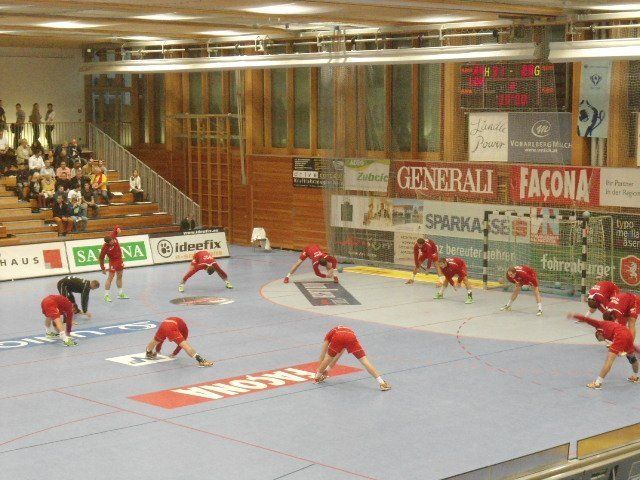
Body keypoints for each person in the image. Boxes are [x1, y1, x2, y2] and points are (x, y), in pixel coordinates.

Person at [568, 313, 639, 389]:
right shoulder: (610, 326)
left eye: (599, 338)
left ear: (599, 333)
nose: (601, 340)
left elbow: (587, 319)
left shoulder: (599, 324)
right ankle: (635, 377)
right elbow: (631, 345)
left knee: (609, 361)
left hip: (619, 335)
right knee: (632, 358)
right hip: (627, 332)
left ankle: (597, 383)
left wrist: (574, 316)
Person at [314, 325, 390, 391]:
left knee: (328, 358)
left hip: (339, 336)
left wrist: (319, 373)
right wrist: (327, 370)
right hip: (351, 337)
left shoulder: (329, 336)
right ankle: (382, 383)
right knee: (364, 360)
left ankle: (317, 378)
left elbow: (323, 355)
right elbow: (337, 357)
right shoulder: (338, 332)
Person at [145, 317, 214, 367]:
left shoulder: (179, 323)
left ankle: (148, 352)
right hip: (171, 327)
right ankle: (201, 361)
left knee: (155, 341)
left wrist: (158, 350)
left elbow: (160, 340)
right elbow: (181, 345)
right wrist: (174, 353)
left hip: (163, 325)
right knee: (186, 345)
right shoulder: (184, 331)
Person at [99, 225, 128, 301]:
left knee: (120, 276)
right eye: (111, 242)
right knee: (110, 278)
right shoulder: (105, 248)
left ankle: (120, 294)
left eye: (112, 240)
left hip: (120, 260)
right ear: (107, 243)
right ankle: (106, 295)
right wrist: (103, 268)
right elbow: (101, 258)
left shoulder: (113, 236)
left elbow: (116, 227)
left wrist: (118, 228)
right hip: (113, 262)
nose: (113, 242)